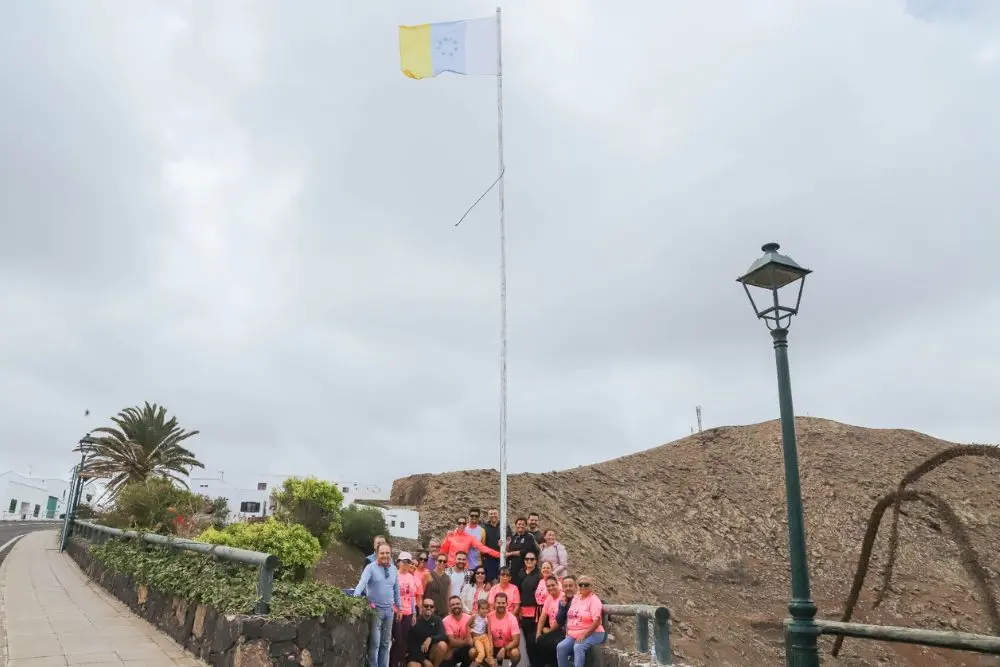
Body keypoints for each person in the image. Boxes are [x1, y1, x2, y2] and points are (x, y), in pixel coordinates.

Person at [354, 543, 400, 667]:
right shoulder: (370, 568)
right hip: (375, 610)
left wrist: (399, 607)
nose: (385, 555)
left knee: (385, 643)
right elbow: (362, 583)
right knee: (375, 643)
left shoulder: (394, 569)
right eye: (382, 553)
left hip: (389, 611)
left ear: (391, 554)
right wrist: (356, 597)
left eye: (387, 553)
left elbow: (396, 589)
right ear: (377, 554)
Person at [555, 576, 606, 667]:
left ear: (591, 586)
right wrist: (568, 632)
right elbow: (570, 617)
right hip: (574, 634)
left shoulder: (594, 600)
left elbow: (597, 621)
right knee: (561, 647)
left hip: (593, 633)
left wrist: (584, 635)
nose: (583, 586)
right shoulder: (576, 598)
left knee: (578, 647)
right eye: (580, 584)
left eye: (586, 584)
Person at [534, 575, 568, 667]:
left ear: (558, 584)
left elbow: (561, 620)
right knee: (535, 639)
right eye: (548, 586)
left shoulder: (563, 598)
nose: (551, 588)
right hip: (553, 630)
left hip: (561, 630)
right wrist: (538, 632)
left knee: (549, 643)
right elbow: (543, 616)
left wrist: (549, 631)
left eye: (553, 585)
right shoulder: (549, 598)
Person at [392, 553, 419, 667]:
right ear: (398, 562)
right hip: (396, 611)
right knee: (398, 639)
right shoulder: (394, 575)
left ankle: (397, 662)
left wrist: (414, 613)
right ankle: (392, 663)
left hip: (408, 612)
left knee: (403, 640)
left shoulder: (411, 577)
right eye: (403, 561)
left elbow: (412, 596)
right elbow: (391, 594)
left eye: (408, 561)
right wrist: (397, 609)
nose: (405, 564)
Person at [407, 597, 450, 667]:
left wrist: (430, 638)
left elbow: (443, 635)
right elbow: (410, 645)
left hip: (431, 653)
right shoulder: (415, 621)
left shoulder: (437, 620)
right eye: (426, 606)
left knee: (442, 645)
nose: (429, 608)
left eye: (431, 606)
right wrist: (423, 660)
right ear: (422, 607)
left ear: (434, 609)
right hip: (417, 655)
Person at [516, 553, 542, 665]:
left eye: (532, 559)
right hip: (523, 611)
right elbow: (518, 591)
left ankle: (537, 663)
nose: (529, 561)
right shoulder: (520, 573)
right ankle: (532, 663)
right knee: (527, 640)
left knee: (535, 639)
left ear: (536, 561)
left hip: (536, 612)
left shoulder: (539, 574)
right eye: (527, 559)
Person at [487, 593, 521, 666]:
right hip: (492, 646)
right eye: (498, 603)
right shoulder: (489, 616)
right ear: (494, 603)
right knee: (473, 651)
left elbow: (516, 641)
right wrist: (489, 646)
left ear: (506, 604)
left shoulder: (512, 618)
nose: (501, 605)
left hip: (507, 647)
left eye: (503, 603)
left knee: (516, 653)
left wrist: (504, 649)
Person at [442, 595, 474, 667]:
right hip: (452, 650)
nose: (456, 606)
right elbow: (452, 642)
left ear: (462, 605)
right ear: (449, 608)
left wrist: (469, 642)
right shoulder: (445, 621)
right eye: (453, 605)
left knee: (472, 651)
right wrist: (467, 642)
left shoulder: (469, 618)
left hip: (466, 650)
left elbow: (473, 639)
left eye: (458, 604)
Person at [481, 509, 508, 583]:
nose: (493, 515)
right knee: (489, 581)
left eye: (495, 513)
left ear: (498, 514)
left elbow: (509, 538)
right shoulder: (484, 527)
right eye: (491, 514)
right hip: (489, 559)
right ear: (488, 515)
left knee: (502, 579)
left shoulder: (504, 526)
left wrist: (505, 542)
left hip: (502, 558)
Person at [466, 598, 495, 666]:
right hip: (477, 639)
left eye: (486, 608)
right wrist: (469, 637)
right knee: (481, 654)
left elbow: (489, 632)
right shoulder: (474, 616)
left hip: (485, 637)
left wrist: (491, 645)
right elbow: (467, 626)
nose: (485, 611)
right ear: (478, 609)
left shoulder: (487, 618)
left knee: (489, 654)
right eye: (482, 608)